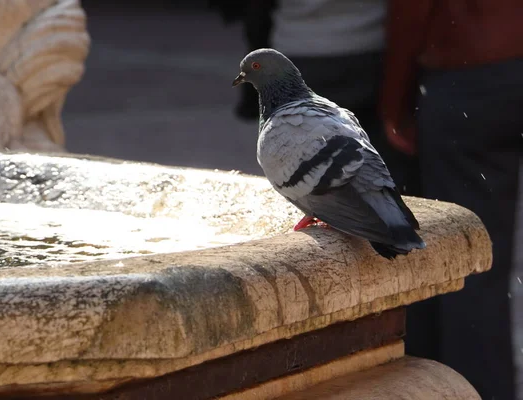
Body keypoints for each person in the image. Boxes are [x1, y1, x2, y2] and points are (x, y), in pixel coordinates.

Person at [381, 1, 523, 398]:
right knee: (478, 261)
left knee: (468, 261)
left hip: (472, 74)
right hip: (495, 69)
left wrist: (392, 103)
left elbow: (411, 11)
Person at [209, 0, 421, 195]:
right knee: (371, 148)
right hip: (367, 44)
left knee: (301, 154)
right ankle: (382, 212)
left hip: (299, 44)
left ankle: (343, 212)